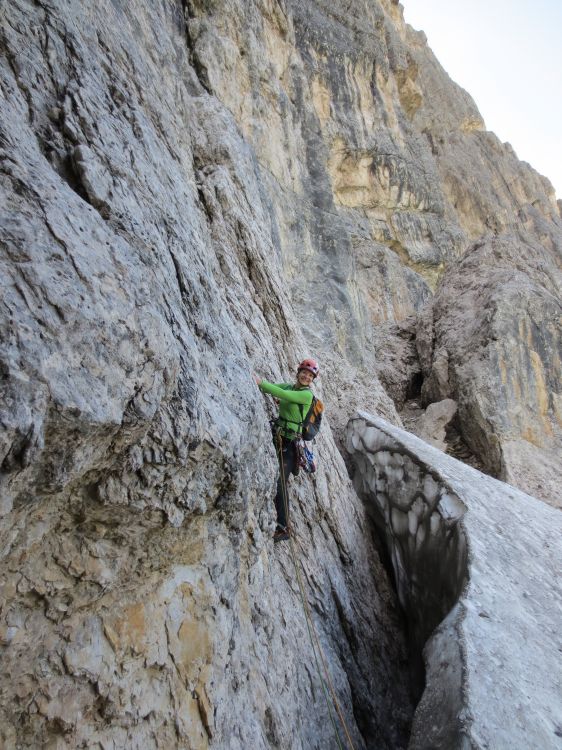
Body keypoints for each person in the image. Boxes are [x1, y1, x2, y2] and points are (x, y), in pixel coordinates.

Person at [253, 359, 319, 542]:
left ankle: (283, 528)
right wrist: (261, 384)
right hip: (279, 437)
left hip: (290, 444)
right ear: (298, 372)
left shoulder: (306, 395)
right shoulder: (290, 387)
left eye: (310, 376)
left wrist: (260, 382)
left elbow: (281, 393)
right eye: (304, 373)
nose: (306, 377)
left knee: (281, 483)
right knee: (275, 478)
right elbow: (274, 388)